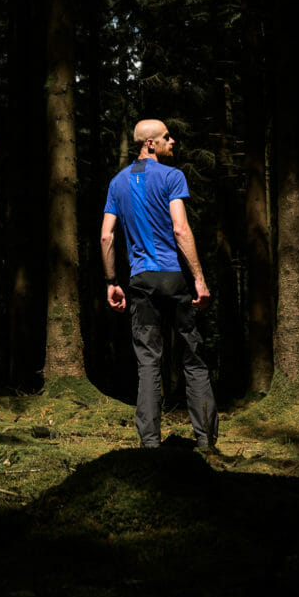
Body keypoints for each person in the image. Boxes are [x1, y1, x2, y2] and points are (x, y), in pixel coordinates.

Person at [100, 118, 219, 450]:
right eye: (167, 137)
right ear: (149, 143)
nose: (173, 141)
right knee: (193, 357)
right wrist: (199, 280)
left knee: (149, 361)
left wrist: (112, 281)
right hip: (173, 278)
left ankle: (150, 446)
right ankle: (207, 442)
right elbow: (180, 230)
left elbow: (107, 235)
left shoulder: (117, 183)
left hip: (139, 281)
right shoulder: (172, 176)